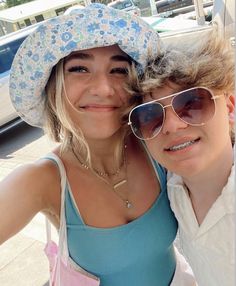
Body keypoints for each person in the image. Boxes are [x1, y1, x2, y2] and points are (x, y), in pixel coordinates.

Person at [0, 3, 196, 286]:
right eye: (79, 68)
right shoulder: (42, 180)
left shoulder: (156, 142)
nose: (104, 88)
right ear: (55, 84)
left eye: (118, 69)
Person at [128, 30, 235, 286]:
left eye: (192, 103)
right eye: (150, 116)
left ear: (230, 107)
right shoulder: (171, 189)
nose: (172, 125)